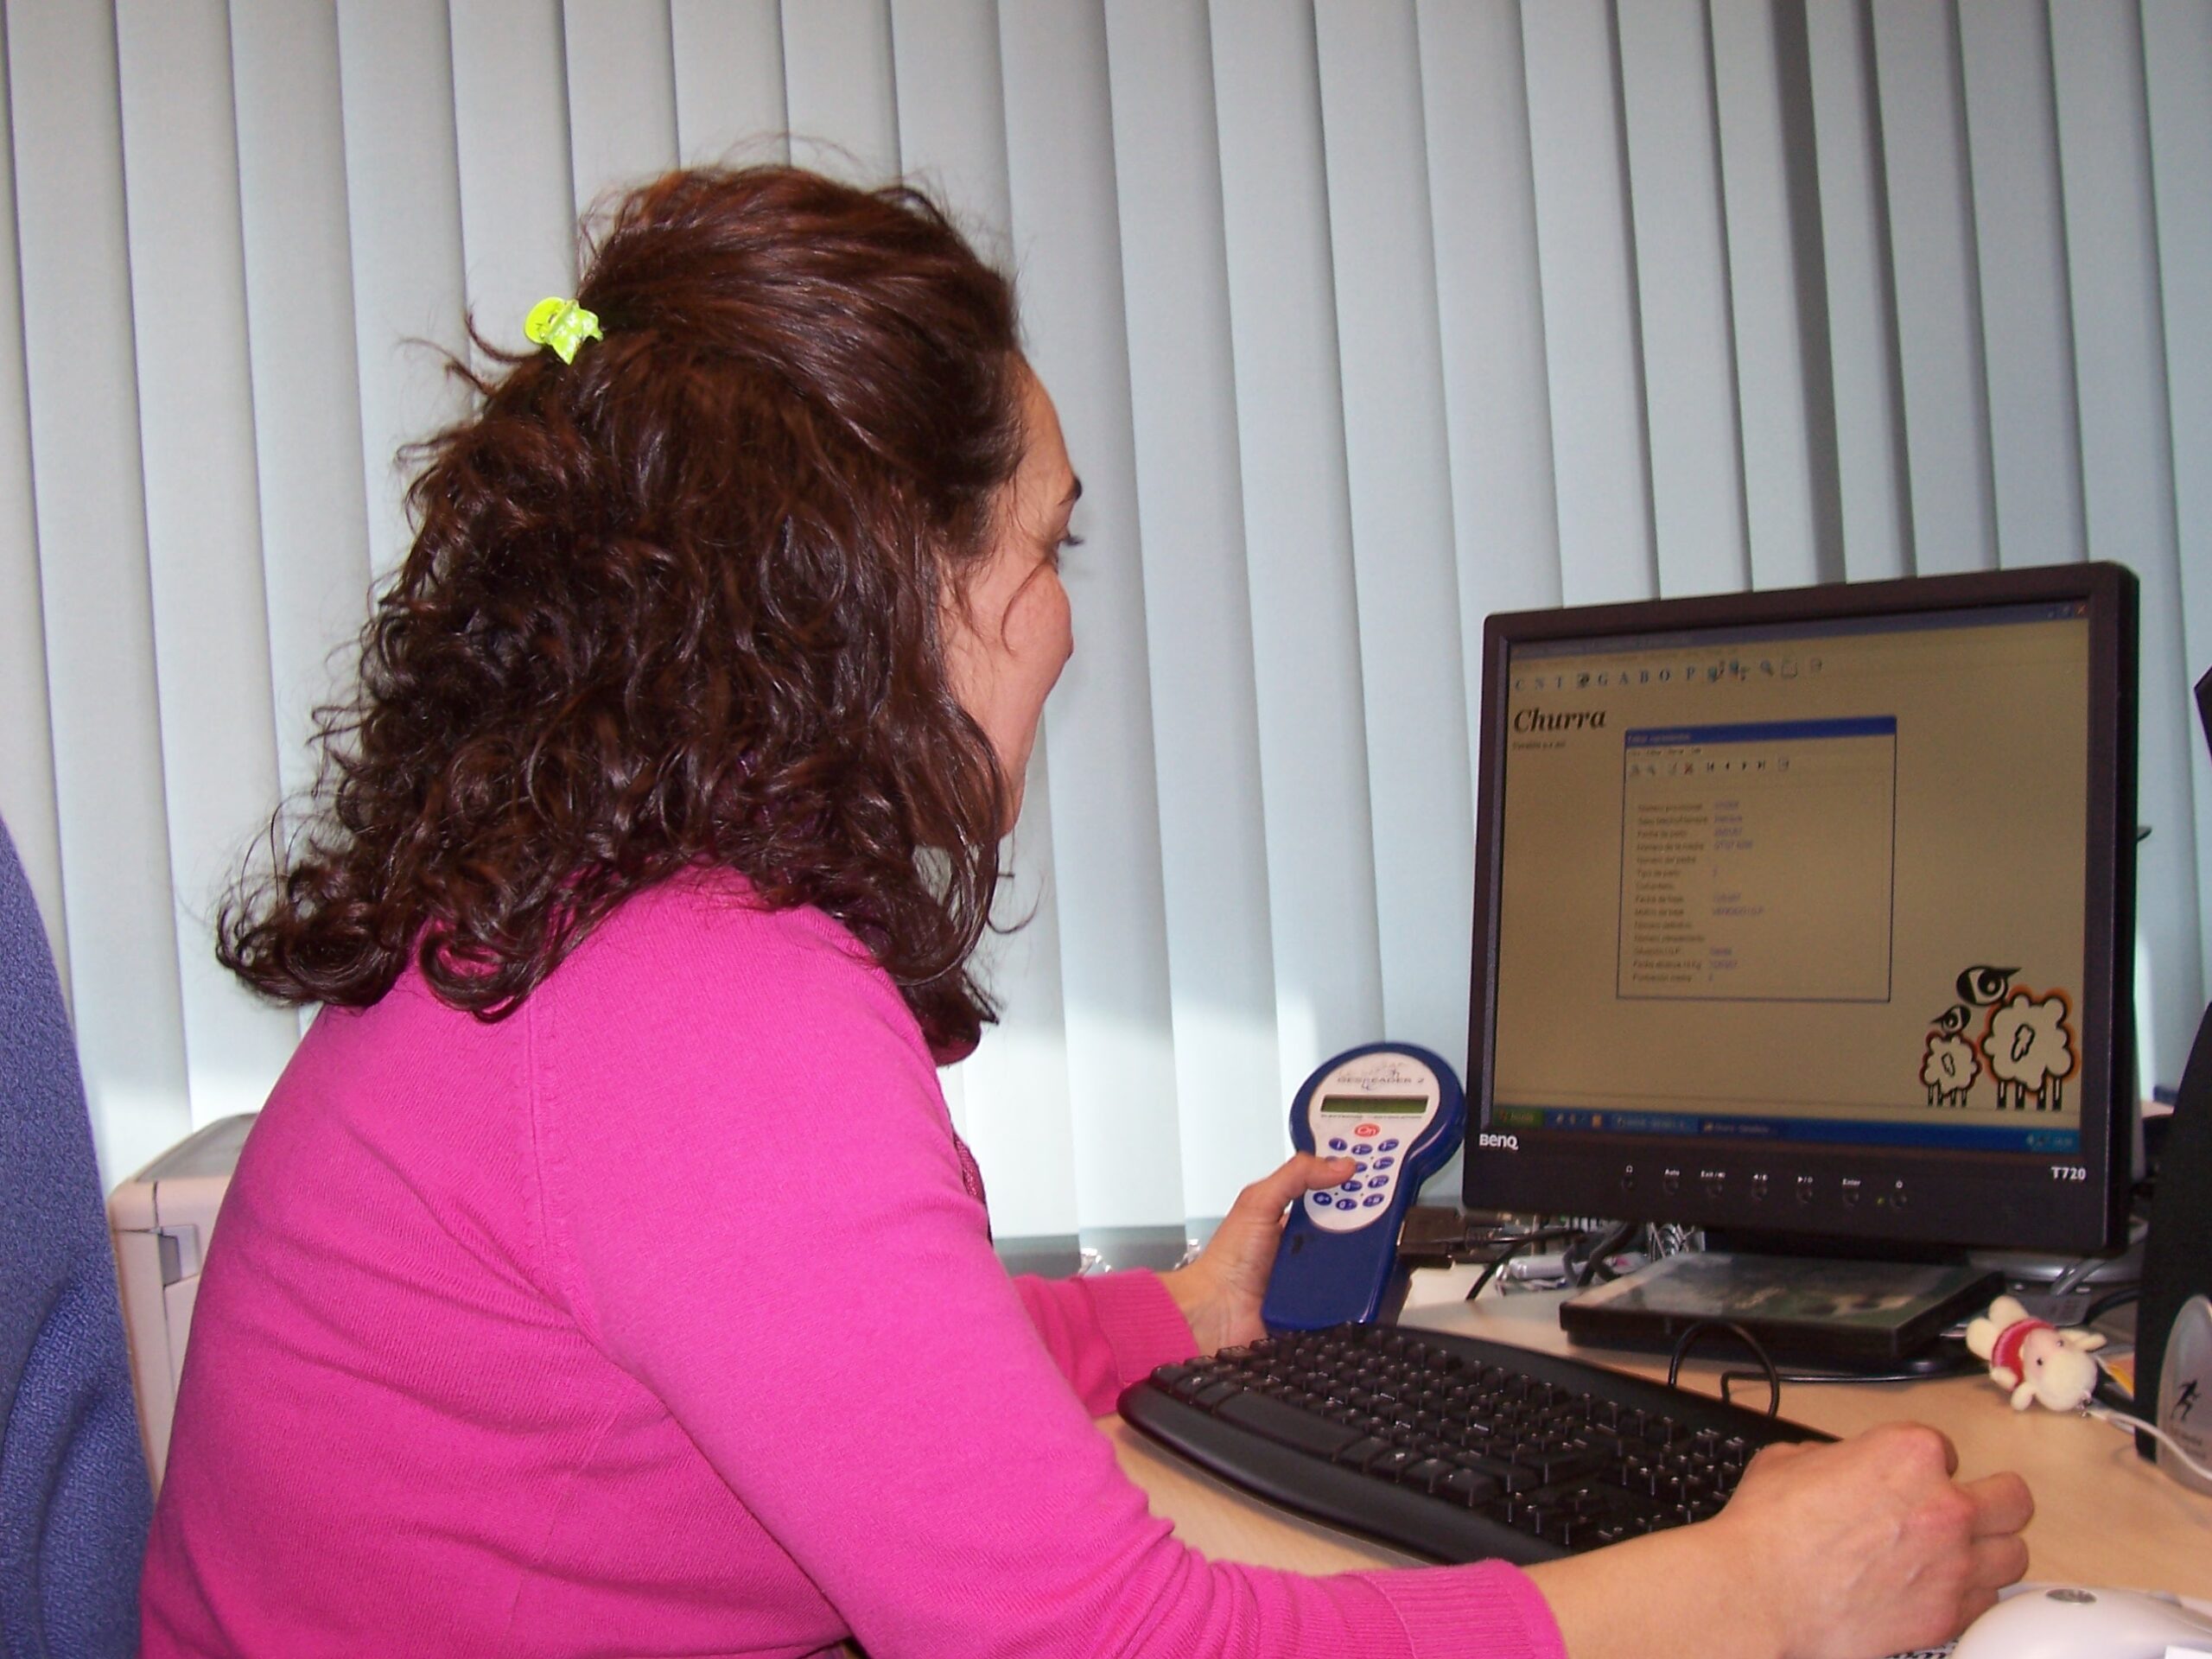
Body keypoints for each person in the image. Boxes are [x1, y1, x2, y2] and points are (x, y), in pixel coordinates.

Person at [142, 166, 2030, 1659]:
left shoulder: (564, 932)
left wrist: (1167, 1316)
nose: (1062, 624)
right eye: (1046, 546)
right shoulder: (706, 1004)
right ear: (874, 588)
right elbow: (1105, 1643)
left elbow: (849, 1376)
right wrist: (1756, 1593)